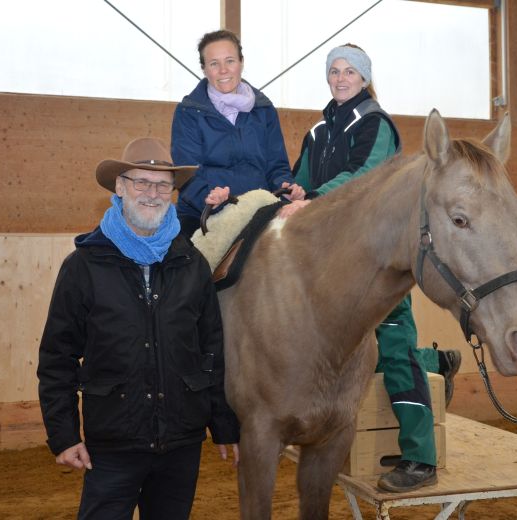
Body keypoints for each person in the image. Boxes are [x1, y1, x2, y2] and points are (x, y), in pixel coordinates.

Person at [289, 43, 462, 493]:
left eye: (350, 72)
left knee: (394, 344)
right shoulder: (317, 131)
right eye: (334, 71)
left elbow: (365, 177)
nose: (341, 78)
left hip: (376, 256)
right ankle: (438, 362)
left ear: (364, 79)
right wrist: (292, 193)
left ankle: (421, 458)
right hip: (331, 258)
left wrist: (314, 200)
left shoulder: (376, 124)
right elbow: (302, 180)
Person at [37, 137, 240, 520]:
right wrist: (63, 435)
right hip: (113, 441)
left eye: (163, 184)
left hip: (181, 441)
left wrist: (224, 424)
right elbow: (57, 357)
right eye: (141, 182)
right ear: (120, 187)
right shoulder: (83, 266)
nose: (153, 193)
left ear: (173, 193)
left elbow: (210, 350)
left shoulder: (191, 263)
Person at [171, 30, 305, 236]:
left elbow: (277, 166)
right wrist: (210, 198)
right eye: (214, 63)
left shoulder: (264, 109)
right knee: (185, 263)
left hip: (258, 211)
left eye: (230, 61)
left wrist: (286, 187)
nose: (223, 70)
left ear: (241, 62)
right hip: (204, 214)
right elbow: (186, 174)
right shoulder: (188, 112)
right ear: (204, 69)